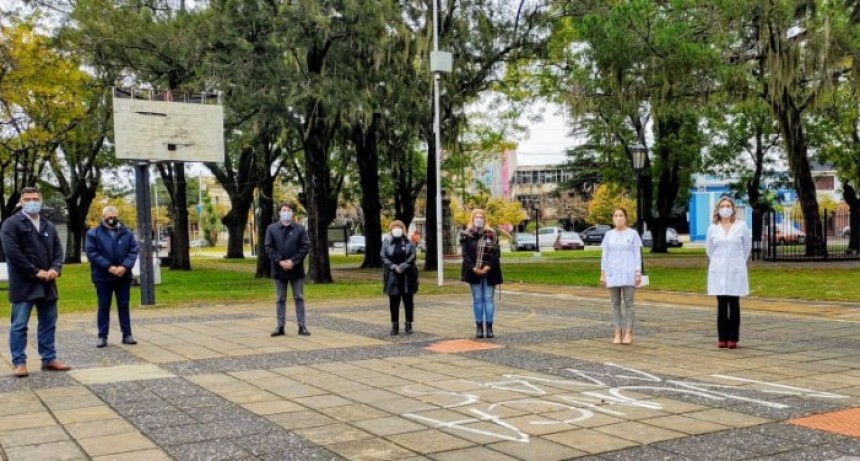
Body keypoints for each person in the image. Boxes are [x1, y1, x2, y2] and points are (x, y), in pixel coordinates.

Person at [1, 187, 71, 377]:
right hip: (24, 284)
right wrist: (35, 272)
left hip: (48, 283)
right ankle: (19, 362)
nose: (32, 202)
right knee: (19, 325)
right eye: (27, 199)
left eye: (35, 198)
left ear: (41, 201)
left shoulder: (48, 224)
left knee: (48, 323)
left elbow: (58, 249)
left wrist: (55, 268)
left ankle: (49, 359)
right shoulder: (11, 224)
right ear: (21, 202)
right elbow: (13, 253)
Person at [85, 206, 140, 348]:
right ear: (103, 217)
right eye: (108, 216)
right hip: (103, 277)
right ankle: (102, 336)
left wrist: (124, 267)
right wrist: (109, 267)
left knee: (123, 305)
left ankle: (127, 334)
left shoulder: (126, 233)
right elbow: (92, 253)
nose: (111, 219)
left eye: (114, 216)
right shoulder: (93, 233)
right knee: (103, 306)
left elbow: (133, 251)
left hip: (123, 276)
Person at [706, 196, 751, 349]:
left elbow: (746, 248)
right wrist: (719, 262)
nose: (725, 208)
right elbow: (709, 249)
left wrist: (737, 261)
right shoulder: (713, 227)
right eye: (722, 206)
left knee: (734, 303)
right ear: (718, 209)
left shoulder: (741, 226)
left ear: (732, 209)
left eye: (728, 205)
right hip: (719, 270)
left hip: (735, 270)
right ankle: (722, 337)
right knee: (722, 304)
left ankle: (733, 338)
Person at [265, 202, 311, 337]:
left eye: (289, 210)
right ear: (279, 212)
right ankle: (280, 326)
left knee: (299, 297)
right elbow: (268, 247)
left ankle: (302, 326)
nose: (286, 212)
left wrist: (293, 261)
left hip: (296, 270)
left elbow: (305, 246)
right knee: (280, 298)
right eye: (284, 210)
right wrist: (280, 261)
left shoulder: (300, 229)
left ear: (292, 213)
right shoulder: (271, 229)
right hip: (279, 269)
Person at [600, 208, 643, 345]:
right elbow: (604, 255)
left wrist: (638, 272)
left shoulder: (633, 234)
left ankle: (629, 331)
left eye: (621, 215)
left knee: (629, 303)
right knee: (615, 303)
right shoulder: (608, 235)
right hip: (612, 272)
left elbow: (637, 254)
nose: (618, 218)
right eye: (615, 216)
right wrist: (603, 273)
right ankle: (617, 331)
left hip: (628, 272)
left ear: (626, 218)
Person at [460, 209, 502, 339]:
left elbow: (496, 253)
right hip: (474, 271)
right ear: (472, 219)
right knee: (478, 299)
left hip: (490, 271)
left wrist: (488, 266)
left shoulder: (492, 234)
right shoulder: (466, 235)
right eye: (476, 217)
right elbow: (465, 254)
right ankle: (479, 327)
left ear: (484, 219)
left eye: (481, 217)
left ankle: (489, 328)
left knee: (488, 298)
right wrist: (474, 267)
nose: (479, 219)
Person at [382, 220, 419, 335]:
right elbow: (383, 257)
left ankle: (408, 324)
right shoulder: (387, 242)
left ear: (403, 229)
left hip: (407, 275)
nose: (397, 228)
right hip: (392, 276)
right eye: (394, 227)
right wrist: (393, 266)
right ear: (391, 229)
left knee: (408, 301)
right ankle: (395, 325)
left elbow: (412, 256)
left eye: (399, 226)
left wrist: (403, 266)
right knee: (394, 301)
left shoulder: (409, 242)